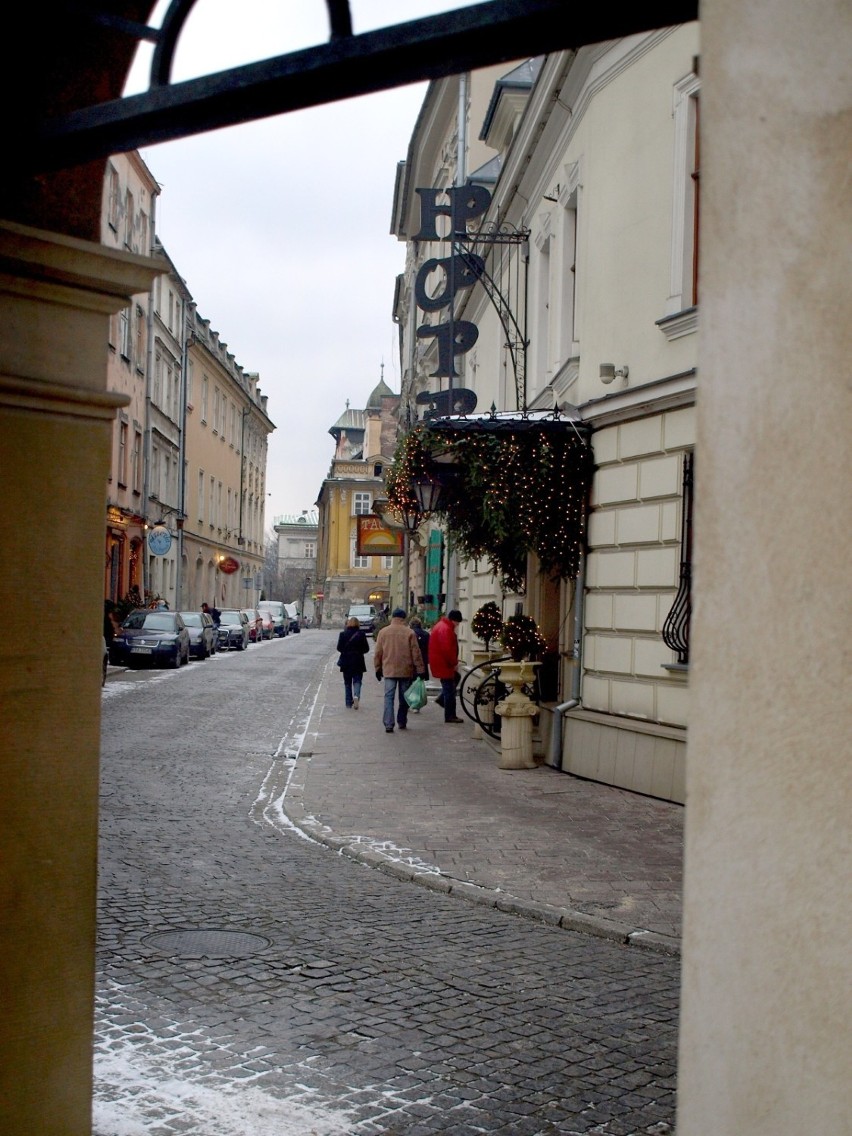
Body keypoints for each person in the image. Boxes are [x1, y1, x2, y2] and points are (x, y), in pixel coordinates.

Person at [373, 608, 425, 733]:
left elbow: (378, 653)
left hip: (389, 669)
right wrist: (420, 669)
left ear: (393, 618)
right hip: (405, 669)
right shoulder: (409, 632)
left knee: (389, 697)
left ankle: (388, 724)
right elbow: (416, 653)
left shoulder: (383, 632)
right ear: (403, 618)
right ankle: (402, 721)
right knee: (404, 697)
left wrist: (377, 668)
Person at [429, 609, 464, 723]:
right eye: (457, 622)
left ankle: (442, 699)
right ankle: (450, 715)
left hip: (440, 662)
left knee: (452, 683)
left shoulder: (441, 626)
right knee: (450, 689)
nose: (458, 625)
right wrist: (454, 663)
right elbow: (447, 649)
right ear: (454, 620)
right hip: (445, 664)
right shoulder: (446, 629)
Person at [336, 617, 369, 708]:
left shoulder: (343, 634)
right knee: (357, 680)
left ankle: (348, 702)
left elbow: (339, 648)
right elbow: (366, 649)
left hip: (346, 661)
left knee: (347, 682)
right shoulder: (361, 634)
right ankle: (356, 696)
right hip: (358, 661)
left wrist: (346, 651)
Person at [407, 617, 430, 713]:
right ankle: (417, 705)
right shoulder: (426, 634)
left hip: (411, 662)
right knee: (419, 683)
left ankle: (411, 703)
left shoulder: (409, 633)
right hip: (422, 661)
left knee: (410, 683)